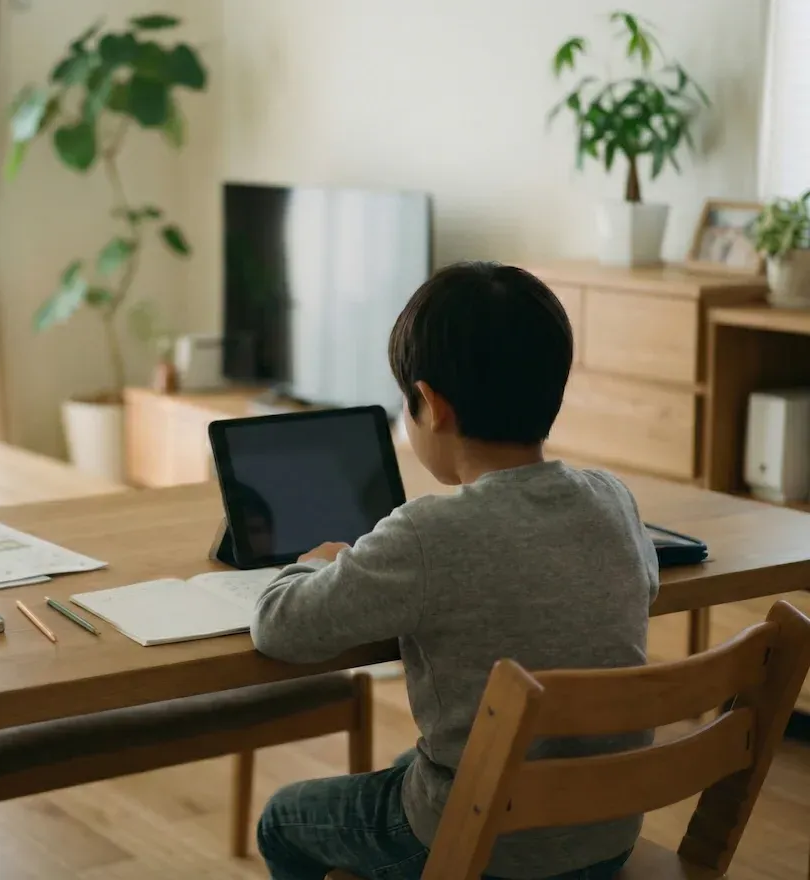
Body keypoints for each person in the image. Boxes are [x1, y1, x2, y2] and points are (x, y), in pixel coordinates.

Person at [250, 262, 658, 880]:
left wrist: (307, 566)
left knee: (283, 818)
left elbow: (280, 628)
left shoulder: (425, 534)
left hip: (486, 847)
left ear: (432, 407)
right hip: (603, 837)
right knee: (402, 768)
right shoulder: (613, 497)